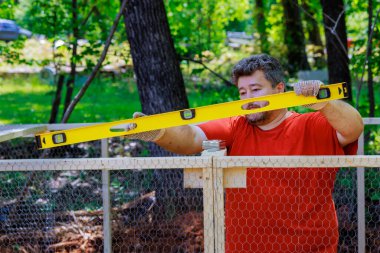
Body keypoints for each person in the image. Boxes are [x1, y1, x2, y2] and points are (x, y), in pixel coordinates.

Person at [129, 54, 364, 253]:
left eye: (255, 89)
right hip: (244, 247)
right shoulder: (235, 126)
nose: (248, 99)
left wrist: (325, 104)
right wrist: (158, 132)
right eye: (242, 92)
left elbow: (353, 127)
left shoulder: (311, 124)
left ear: (279, 89)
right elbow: (190, 138)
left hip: (309, 247)